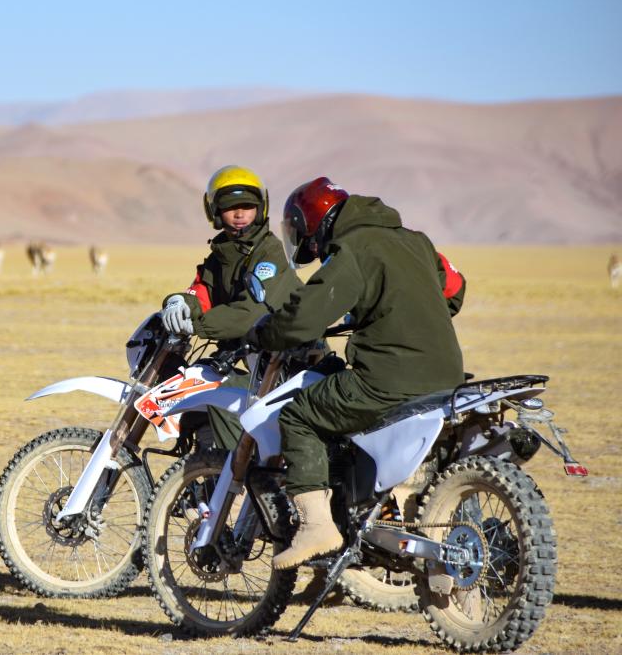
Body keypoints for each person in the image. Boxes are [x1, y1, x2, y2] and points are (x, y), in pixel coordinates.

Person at [251, 176, 467, 569]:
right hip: (448, 376)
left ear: (313, 222)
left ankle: (317, 527)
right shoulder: (416, 241)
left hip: (389, 379)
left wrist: (264, 333)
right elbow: (455, 291)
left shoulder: (352, 248)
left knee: (300, 414)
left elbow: (306, 316)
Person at [161, 165, 302, 450]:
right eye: (230, 207)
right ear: (215, 211)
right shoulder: (222, 255)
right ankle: (206, 464)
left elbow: (249, 313)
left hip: (286, 367)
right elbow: (202, 292)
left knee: (220, 395)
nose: (240, 214)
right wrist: (178, 302)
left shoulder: (269, 252)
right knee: (198, 380)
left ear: (260, 208)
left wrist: (196, 325)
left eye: (247, 206)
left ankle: (234, 474)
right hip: (254, 361)